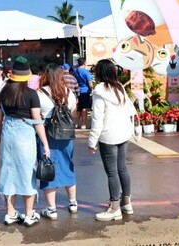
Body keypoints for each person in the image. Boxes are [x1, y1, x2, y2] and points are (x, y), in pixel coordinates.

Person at [0, 57, 50, 227]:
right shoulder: (31, 94)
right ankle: (28, 214)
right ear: (27, 75)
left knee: (8, 172)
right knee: (27, 172)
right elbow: (37, 120)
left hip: (7, 133)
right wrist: (46, 145)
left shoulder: (3, 93)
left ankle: (10, 214)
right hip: (25, 134)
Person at [88, 59, 134, 221]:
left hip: (109, 136)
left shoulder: (100, 91)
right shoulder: (119, 87)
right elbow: (128, 109)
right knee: (122, 168)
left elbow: (97, 119)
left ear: (100, 73)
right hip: (123, 133)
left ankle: (114, 207)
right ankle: (126, 203)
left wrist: (92, 141)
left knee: (112, 172)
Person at [37, 63, 79, 220]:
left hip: (48, 136)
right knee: (68, 166)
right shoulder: (68, 92)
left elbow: (36, 115)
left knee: (48, 169)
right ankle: (73, 203)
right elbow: (73, 112)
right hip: (66, 136)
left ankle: (51, 209)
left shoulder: (40, 93)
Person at [73, 57, 94, 129]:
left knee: (79, 108)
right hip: (85, 91)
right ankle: (83, 124)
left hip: (78, 91)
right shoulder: (86, 72)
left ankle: (76, 123)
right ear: (84, 63)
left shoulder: (75, 71)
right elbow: (90, 83)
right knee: (84, 108)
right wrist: (92, 88)